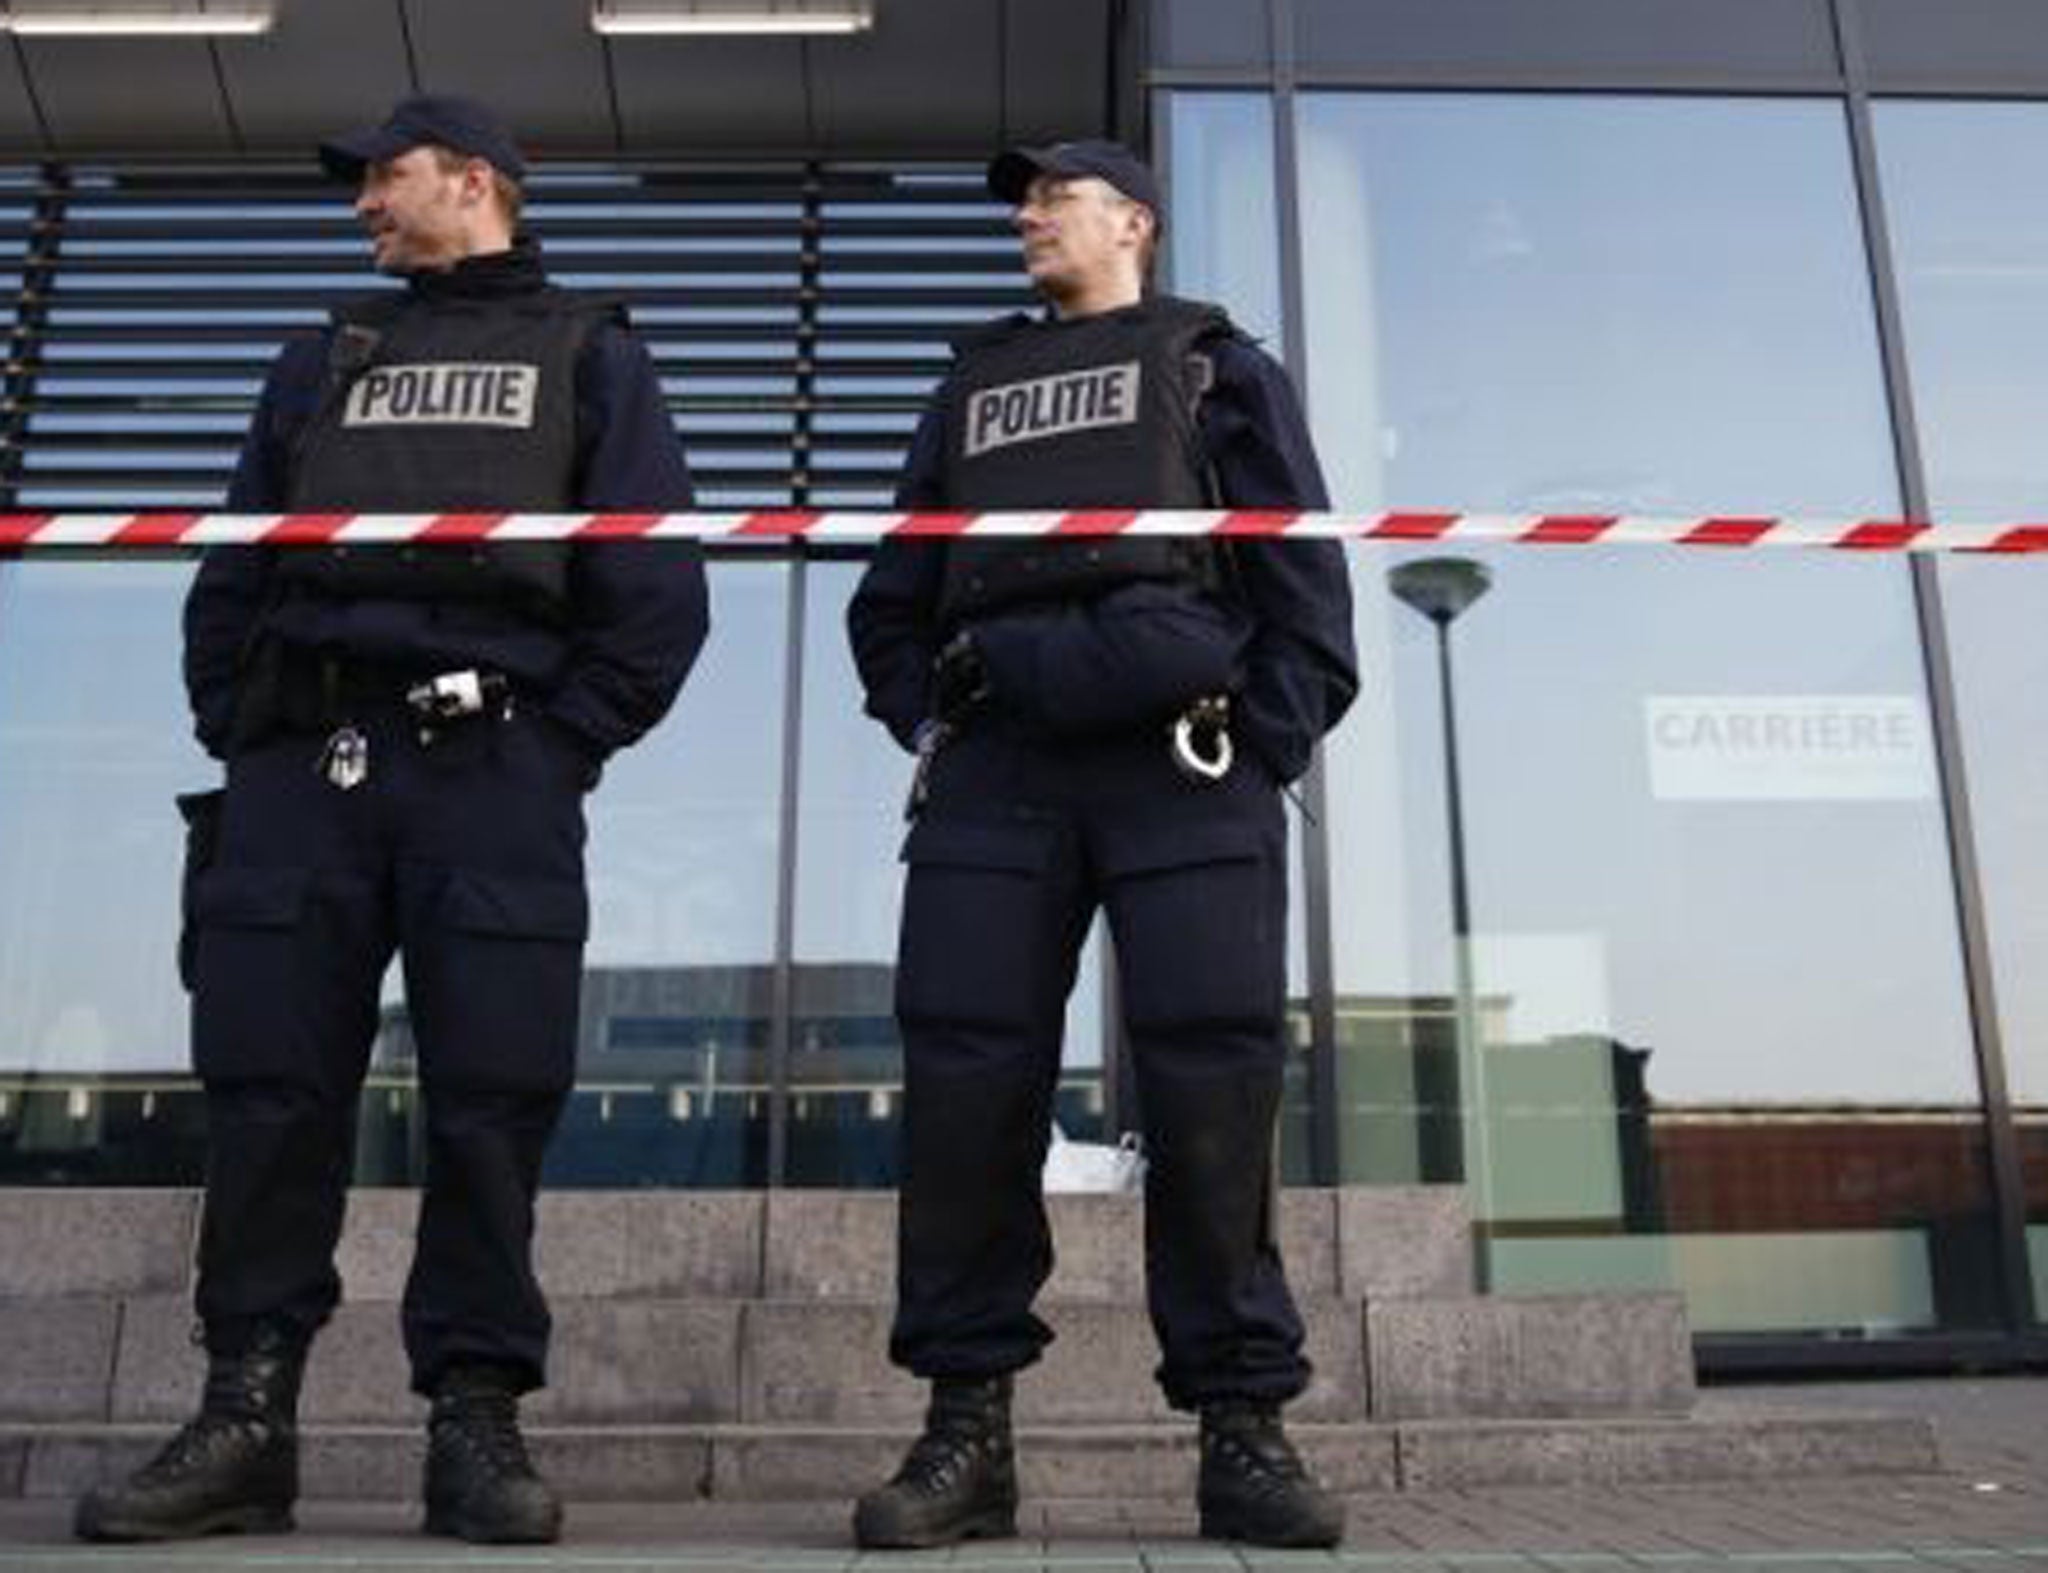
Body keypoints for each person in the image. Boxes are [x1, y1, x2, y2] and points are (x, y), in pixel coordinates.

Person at [73, 94, 709, 1547]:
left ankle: (474, 1425)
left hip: (490, 770)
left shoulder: (591, 353)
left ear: (474, 181)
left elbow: (656, 594)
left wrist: (552, 750)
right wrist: (247, 729)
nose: (363, 200)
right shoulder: (320, 358)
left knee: (491, 1102)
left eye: (386, 175)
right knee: (267, 1097)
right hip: (303, 766)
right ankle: (245, 1418)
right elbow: (234, 563)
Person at [846, 140, 1358, 1550]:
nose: (1025, 215)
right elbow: (894, 592)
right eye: (1018, 198)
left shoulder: (1216, 366)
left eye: (1052, 197)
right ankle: (965, 1433)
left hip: (1181, 763)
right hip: (998, 768)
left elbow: (1304, 579)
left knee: (1211, 1082)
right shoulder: (969, 386)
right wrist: (926, 718)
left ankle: (1242, 1431)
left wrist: (1260, 737)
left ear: (1131, 219)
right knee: (963, 1085)